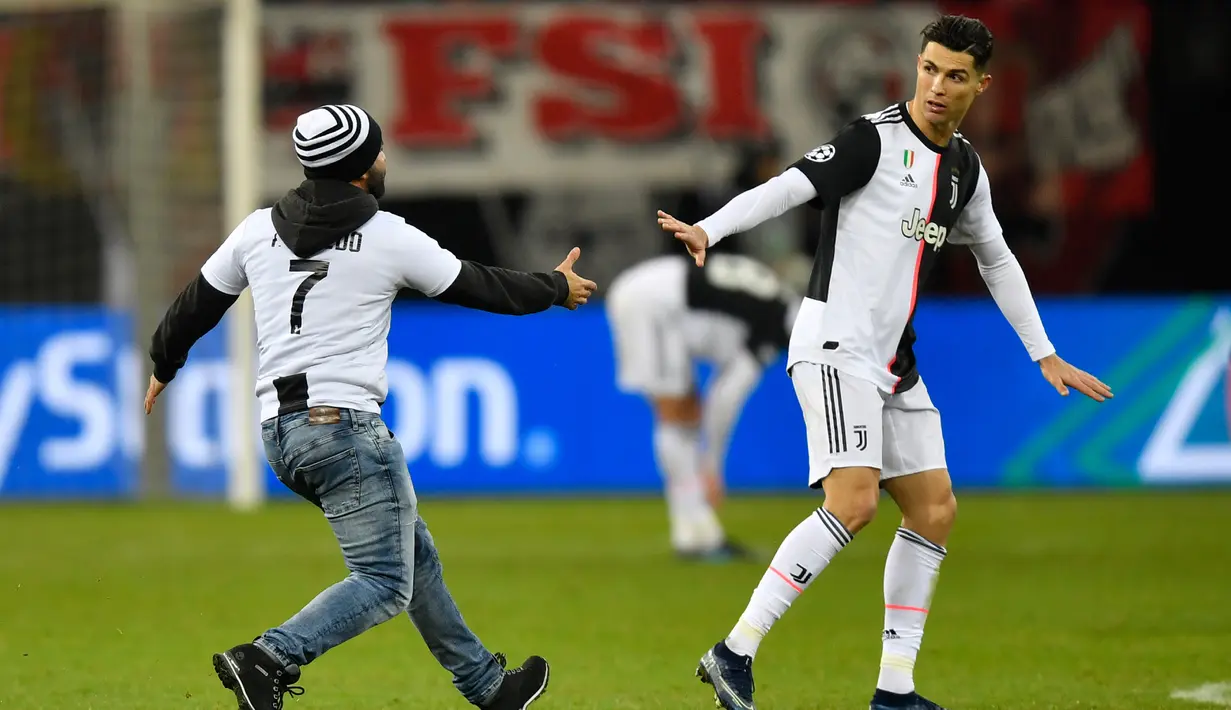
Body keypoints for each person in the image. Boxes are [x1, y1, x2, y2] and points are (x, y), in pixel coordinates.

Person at [657, 15, 1113, 710]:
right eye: (928, 67)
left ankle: (893, 692)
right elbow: (787, 186)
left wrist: (1042, 353)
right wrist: (709, 230)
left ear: (979, 85)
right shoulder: (872, 140)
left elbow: (993, 255)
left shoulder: (963, 169)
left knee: (933, 509)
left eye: (954, 75)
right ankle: (733, 650)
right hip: (836, 344)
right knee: (855, 501)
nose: (935, 85)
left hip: (893, 361)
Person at [143, 104, 595, 710]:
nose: (384, 161)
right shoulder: (388, 235)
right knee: (384, 581)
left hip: (281, 433)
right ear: (360, 168)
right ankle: (267, 657)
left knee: (414, 555)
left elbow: (194, 305)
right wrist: (555, 288)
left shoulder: (255, 229)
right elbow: (479, 286)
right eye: (377, 153)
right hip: (345, 431)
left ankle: (488, 688)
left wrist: (162, 364)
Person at [605, 252, 799, 561]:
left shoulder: (780, 306)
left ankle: (696, 532)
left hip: (656, 289)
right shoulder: (778, 327)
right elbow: (727, 396)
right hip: (653, 303)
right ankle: (695, 536)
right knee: (675, 415)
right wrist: (713, 466)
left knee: (685, 416)